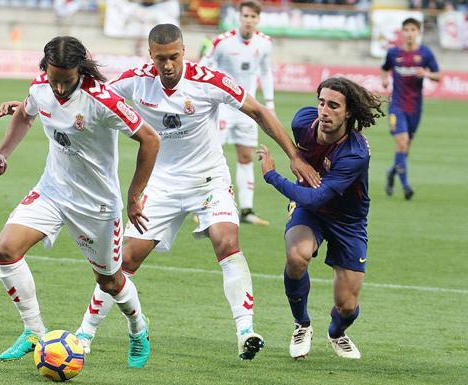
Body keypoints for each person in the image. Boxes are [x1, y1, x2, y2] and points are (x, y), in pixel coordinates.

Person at [72, 24, 319, 360]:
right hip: (160, 185)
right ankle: (84, 334)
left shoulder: (208, 80)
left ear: (184, 51)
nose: (168, 65)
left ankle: (245, 330)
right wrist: (32, 103)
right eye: (161, 58)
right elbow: (90, 96)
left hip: (209, 181)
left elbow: (259, 112)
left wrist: (294, 156)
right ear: (151, 56)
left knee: (227, 241)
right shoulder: (137, 79)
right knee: (123, 260)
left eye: (174, 56)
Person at [0, 36, 160, 368]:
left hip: (95, 205)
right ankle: (34, 331)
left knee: (109, 281)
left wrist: (134, 194)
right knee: (6, 250)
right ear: (45, 69)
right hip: (52, 191)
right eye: (53, 78)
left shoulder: (103, 101)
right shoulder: (41, 87)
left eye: (66, 81)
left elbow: (150, 140)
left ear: (79, 71)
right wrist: (3, 153)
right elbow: (25, 115)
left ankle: (138, 328)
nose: (59, 87)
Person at [258, 77, 384, 359]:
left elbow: (318, 196)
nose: (324, 111)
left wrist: (272, 176)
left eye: (334, 106)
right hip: (308, 210)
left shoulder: (355, 153)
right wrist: (294, 157)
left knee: (347, 306)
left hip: (347, 221)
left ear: (348, 112)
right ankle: (301, 324)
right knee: (297, 255)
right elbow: (309, 199)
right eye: (321, 102)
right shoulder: (303, 121)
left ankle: (337, 333)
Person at [201, 0, 275, 226]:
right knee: (212, 155)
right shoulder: (222, 42)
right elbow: (205, 66)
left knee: (245, 157)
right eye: (246, 16)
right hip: (222, 108)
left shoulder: (264, 43)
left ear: (258, 19)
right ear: (239, 17)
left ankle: (247, 210)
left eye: (253, 17)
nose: (249, 21)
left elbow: (266, 72)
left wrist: (269, 104)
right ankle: (204, 207)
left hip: (248, 109)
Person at [381, 17, 439, 200]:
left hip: (415, 108)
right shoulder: (393, 53)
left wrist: (427, 73)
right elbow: (384, 68)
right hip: (396, 106)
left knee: (405, 150)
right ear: (402, 32)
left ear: (418, 32)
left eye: (413, 30)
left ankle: (391, 174)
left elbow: (439, 75)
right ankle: (406, 187)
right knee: (401, 143)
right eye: (406, 30)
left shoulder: (425, 53)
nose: (409, 33)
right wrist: (384, 79)